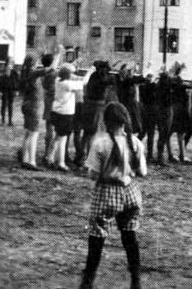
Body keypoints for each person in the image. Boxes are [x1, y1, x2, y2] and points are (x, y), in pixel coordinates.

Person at [79, 102, 148, 289]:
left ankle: (88, 282)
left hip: (107, 192)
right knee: (129, 237)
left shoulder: (101, 144)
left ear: (106, 121)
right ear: (125, 121)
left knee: (97, 237)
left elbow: (92, 173)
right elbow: (142, 172)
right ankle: (136, 280)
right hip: (131, 192)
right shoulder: (135, 143)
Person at [48, 63, 94, 171]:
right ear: (68, 74)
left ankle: (50, 157)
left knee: (58, 136)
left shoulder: (58, 80)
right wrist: (90, 71)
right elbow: (84, 82)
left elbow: (70, 75)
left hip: (56, 111)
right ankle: (61, 162)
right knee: (62, 139)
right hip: (65, 113)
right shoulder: (68, 84)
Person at [75, 60, 113, 167]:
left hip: (88, 105)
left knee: (86, 134)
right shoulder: (103, 77)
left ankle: (80, 157)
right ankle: (88, 159)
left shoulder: (93, 76)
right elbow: (110, 79)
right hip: (97, 107)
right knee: (92, 134)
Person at [18, 54, 46, 170]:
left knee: (28, 133)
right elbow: (51, 69)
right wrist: (58, 54)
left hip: (27, 104)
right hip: (34, 105)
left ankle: (25, 159)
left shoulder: (25, 71)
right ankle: (31, 161)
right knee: (34, 134)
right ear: (34, 63)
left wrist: (39, 56)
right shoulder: (33, 73)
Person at [42, 46, 64, 162]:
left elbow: (52, 67)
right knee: (56, 130)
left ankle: (47, 152)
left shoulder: (44, 74)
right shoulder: (52, 74)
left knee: (48, 129)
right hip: (54, 103)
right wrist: (59, 54)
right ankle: (50, 154)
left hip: (47, 102)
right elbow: (53, 68)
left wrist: (57, 55)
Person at [170, 63, 191, 162]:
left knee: (172, 134)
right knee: (180, 134)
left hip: (175, 110)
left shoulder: (174, 82)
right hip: (180, 111)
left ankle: (177, 155)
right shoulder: (179, 83)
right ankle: (181, 155)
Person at [0, 59, 19, 126]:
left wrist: (16, 90)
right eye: (9, 63)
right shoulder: (3, 72)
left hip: (11, 90)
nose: (10, 65)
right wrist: (0, 91)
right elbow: (0, 82)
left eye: (12, 63)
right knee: (4, 105)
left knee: (10, 105)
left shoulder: (14, 72)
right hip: (4, 90)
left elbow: (17, 82)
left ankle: (10, 121)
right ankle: (3, 120)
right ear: (6, 64)